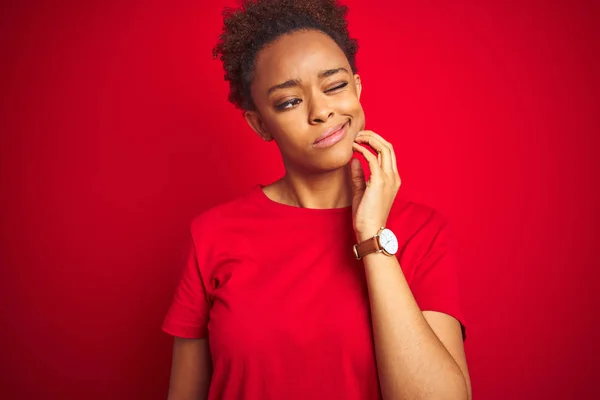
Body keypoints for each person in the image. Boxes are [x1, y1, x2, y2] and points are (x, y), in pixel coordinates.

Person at [162, 0, 471, 399]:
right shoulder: (211, 236)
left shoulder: (420, 233)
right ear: (259, 124)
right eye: (289, 101)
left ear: (357, 88)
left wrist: (372, 238)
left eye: (335, 85)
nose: (321, 110)